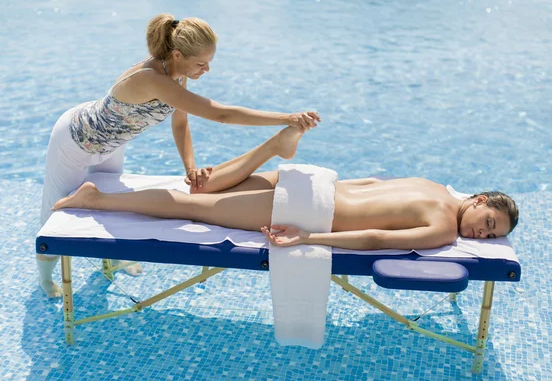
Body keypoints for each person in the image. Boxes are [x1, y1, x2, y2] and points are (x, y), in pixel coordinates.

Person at [38, 14, 321, 298]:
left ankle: (112, 260)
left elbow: (181, 122)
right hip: (75, 141)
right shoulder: (151, 79)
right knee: (56, 212)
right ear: (176, 54)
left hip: (111, 144)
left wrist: (190, 168)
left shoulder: (176, 74)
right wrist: (287, 117)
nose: (207, 69)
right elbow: (220, 113)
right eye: (201, 63)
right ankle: (45, 276)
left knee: (110, 202)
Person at [53, 127, 519, 251]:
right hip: (312, 203)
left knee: (206, 191)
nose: (483, 236)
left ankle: (272, 148)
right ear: (479, 200)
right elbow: (375, 239)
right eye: (489, 224)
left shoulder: (433, 185)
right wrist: (308, 236)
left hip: (319, 179)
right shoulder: (441, 227)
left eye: (492, 238)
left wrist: (323, 186)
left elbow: (375, 182)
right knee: (198, 210)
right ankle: (99, 199)